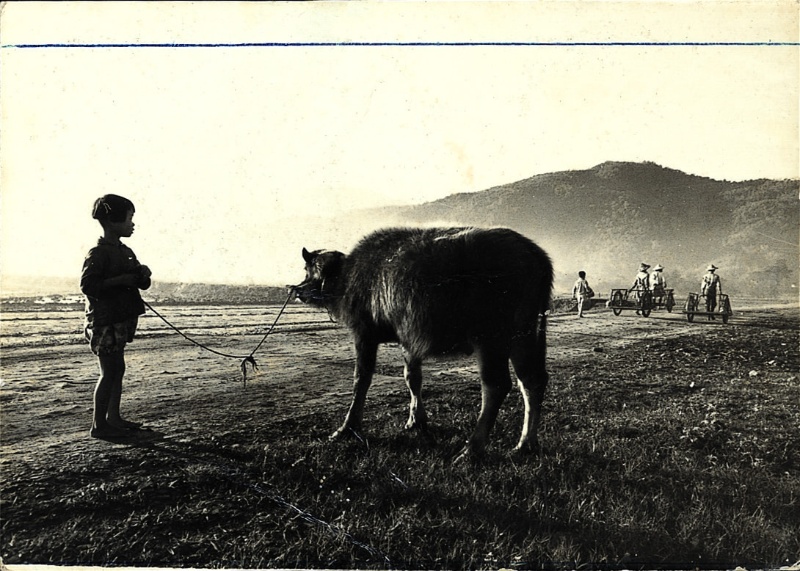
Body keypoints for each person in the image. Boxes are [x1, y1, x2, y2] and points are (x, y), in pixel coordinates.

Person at [80, 194, 152, 439]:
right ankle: (99, 425)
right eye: (129, 219)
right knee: (109, 372)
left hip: (119, 319)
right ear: (112, 221)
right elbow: (88, 285)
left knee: (116, 370)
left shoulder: (125, 251)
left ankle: (113, 418)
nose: (132, 224)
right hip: (105, 321)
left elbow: (143, 284)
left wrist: (143, 274)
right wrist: (122, 280)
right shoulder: (97, 253)